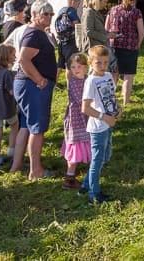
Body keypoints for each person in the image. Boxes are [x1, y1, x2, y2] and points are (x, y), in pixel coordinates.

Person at [10, 1, 58, 179]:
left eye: (51, 14)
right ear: (35, 14)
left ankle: (17, 166)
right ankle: (36, 170)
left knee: (26, 126)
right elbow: (23, 59)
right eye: (46, 14)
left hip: (30, 85)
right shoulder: (34, 34)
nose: (49, 17)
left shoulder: (39, 32)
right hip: (33, 86)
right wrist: (39, 79)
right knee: (37, 128)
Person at [78, 45, 120, 204]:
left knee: (105, 156)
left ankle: (85, 184)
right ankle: (93, 193)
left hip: (109, 122)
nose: (103, 66)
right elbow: (85, 108)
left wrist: (117, 109)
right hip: (98, 127)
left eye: (105, 62)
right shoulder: (91, 82)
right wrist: (104, 117)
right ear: (90, 63)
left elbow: (110, 95)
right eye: (98, 63)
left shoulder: (108, 75)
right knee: (98, 159)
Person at [106, 0, 144, 105]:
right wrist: (138, 44)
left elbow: (106, 27)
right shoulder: (136, 12)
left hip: (114, 45)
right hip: (130, 46)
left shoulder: (113, 10)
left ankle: (109, 100)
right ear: (133, 0)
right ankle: (126, 101)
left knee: (114, 74)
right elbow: (141, 32)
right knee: (128, 75)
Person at [61, 52, 92, 190]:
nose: (76, 69)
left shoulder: (87, 79)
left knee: (86, 143)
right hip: (76, 119)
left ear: (86, 67)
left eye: (79, 66)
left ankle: (89, 171)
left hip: (86, 117)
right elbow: (81, 100)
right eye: (73, 67)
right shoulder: (73, 82)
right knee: (75, 147)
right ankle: (69, 178)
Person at [81, 0, 116, 72]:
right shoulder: (89, 12)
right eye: (105, 1)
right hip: (93, 48)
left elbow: (98, 30)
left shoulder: (96, 12)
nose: (106, 4)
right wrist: (106, 36)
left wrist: (108, 34)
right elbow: (88, 31)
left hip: (99, 47)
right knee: (95, 72)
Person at [54, 0, 82, 71]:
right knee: (70, 64)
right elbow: (77, 25)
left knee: (60, 63)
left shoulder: (61, 10)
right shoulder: (72, 11)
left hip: (61, 40)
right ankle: (70, 82)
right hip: (71, 41)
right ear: (73, 1)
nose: (78, 6)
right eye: (78, 3)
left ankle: (54, 81)